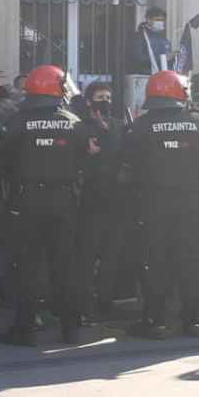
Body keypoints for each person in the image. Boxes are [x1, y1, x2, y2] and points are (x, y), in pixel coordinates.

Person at [0, 66, 88, 346]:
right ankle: (71, 328)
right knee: (64, 265)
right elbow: (85, 159)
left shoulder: (17, 121)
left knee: (28, 266)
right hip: (65, 200)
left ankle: (25, 329)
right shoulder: (73, 121)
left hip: (27, 200)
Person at [121, 71, 199, 338]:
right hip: (191, 205)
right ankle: (196, 320)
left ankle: (156, 322)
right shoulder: (198, 126)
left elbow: (126, 168)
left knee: (155, 262)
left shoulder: (139, 127)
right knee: (192, 260)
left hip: (153, 205)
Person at [73, 81, 132, 317]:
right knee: (87, 254)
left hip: (116, 200)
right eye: (100, 96)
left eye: (108, 96)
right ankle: (84, 303)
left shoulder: (119, 125)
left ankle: (105, 300)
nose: (105, 100)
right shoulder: (80, 127)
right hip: (90, 199)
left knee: (112, 253)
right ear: (89, 101)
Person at [131, 7, 173, 75]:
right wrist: (161, 58)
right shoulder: (139, 37)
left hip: (163, 77)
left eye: (162, 20)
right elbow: (137, 58)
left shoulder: (164, 40)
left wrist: (173, 58)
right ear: (148, 19)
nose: (160, 22)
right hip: (145, 75)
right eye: (157, 20)